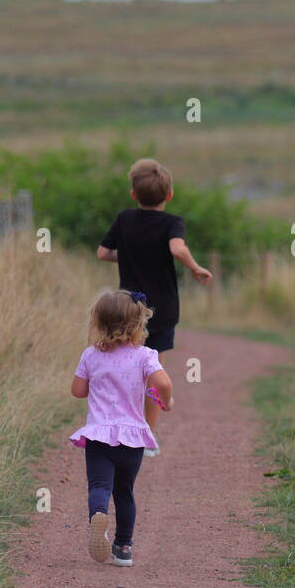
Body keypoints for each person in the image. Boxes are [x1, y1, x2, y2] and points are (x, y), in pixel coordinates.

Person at [96, 158, 210, 443]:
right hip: (162, 308)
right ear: (169, 196)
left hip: (128, 307)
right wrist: (195, 267)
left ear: (133, 194)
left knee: (121, 364)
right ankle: (146, 436)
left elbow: (103, 253)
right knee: (150, 369)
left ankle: (114, 424)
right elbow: (177, 248)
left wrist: (129, 254)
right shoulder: (172, 223)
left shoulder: (124, 219)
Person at [69, 289, 173, 566]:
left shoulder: (90, 356)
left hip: (100, 435)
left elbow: (78, 391)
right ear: (139, 324)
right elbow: (162, 383)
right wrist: (166, 400)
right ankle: (123, 548)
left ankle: (98, 515)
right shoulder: (145, 356)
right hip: (132, 436)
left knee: (100, 486)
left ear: (99, 323)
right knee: (125, 492)